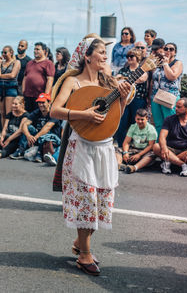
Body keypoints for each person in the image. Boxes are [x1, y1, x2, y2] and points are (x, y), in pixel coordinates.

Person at [50, 37, 130, 276]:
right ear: (87, 56)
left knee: (102, 200)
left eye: (106, 53)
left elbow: (115, 116)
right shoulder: (73, 82)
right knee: (86, 200)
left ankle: (80, 243)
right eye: (101, 53)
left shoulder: (109, 83)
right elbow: (55, 110)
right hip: (81, 148)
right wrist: (82, 115)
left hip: (104, 147)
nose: (106, 57)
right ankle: (84, 254)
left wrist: (123, 98)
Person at [10, 93, 61, 165]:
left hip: (52, 139)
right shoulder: (37, 112)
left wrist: (35, 137)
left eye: (43, 102)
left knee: (47, 133)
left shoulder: (54, 112)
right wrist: (28, 136)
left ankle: (39, 153)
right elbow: (25, 124)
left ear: (49, 102)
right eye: (39, 102)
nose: (40, 104)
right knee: (29, 128)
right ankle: (20, 150)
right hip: (38, 138)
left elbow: (47, 127)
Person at [153, 98, 187, 176]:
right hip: (170, 149)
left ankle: (169, 162)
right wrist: (164, 148)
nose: (176, 109)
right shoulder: (169, 119)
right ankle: (183, 165)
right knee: (156, 146)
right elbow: (162, 136)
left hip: (186, 151)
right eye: (176, 107)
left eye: (179, 107)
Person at [115, 48, 148, 147]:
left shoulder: (142, 70)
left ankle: (136, 145)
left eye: (131, 56)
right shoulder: (123, 70)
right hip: (124, 99)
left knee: (136, 123)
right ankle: (121, 145)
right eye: (127, 56)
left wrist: (124, 79)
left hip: (137, 99)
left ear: (137, 58)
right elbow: (116, 80)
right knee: (122, 122)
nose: (129, 58)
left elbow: (141, 79)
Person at [150, 40, 183, 137]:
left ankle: (171, 144)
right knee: (158, 123)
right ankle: (159, 144)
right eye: (166, 49)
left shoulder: (177, 63)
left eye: (171, 49)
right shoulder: (158, 63)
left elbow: (171, 76)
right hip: (156, 96)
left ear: (175, 52)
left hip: (170, 96)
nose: (168, 51)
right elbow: (153, 80)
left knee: (170, 122)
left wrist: (165, 64)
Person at [117, 108, 157, 173]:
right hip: (134, 149)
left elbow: (151, 146)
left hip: (144, 152)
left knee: (152, 154)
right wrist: (125, 153)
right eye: (138, 119)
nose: (140, 121)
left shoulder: (151, 129)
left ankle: (134, 167)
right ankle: (119, 165)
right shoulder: (133, 127)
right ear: (135, 118)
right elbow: (126, 142)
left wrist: (139, 155)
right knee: (117, 149)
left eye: (142, 119)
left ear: (147, 119)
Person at [22, 42, 55, 113]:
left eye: (37, 49)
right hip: (28, 95)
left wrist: (45, 96)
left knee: (37, 115)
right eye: (34, 49)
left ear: (44, 51)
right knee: (28, 115)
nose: (35, 51)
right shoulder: (29, 63)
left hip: (40, 96)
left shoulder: (48, 63)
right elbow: (25, 78)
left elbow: (50, 80)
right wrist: (23, 91)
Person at [0, 45, 21, 128]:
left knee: (9, 112)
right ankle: (3, 131)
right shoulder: (2, 62)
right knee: (2, 112)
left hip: (11, 88)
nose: (3, 54)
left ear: (11, 52)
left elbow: (12, 75)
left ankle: (7, 130)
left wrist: (1, 76)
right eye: (2, 52)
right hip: (1, 87)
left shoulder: (16, 62)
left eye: (5, 52)